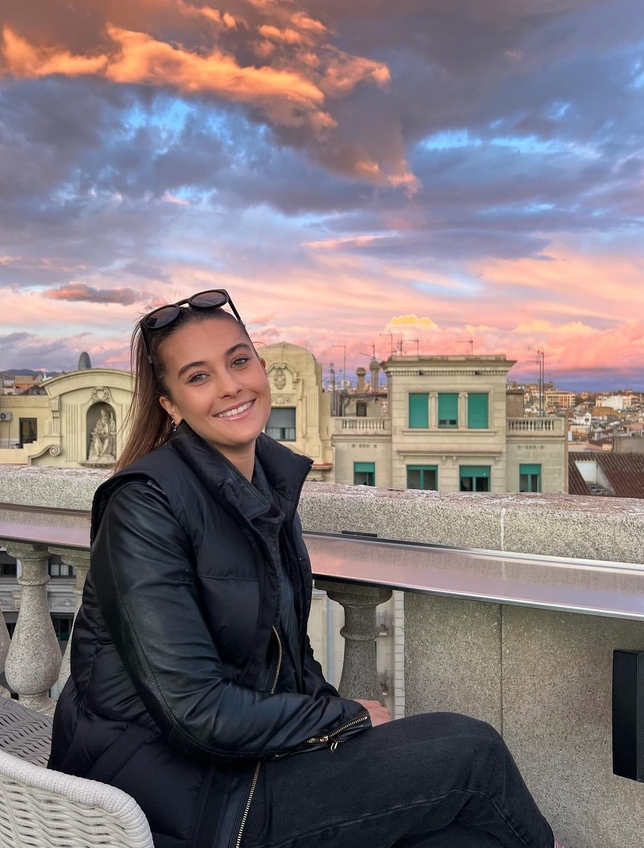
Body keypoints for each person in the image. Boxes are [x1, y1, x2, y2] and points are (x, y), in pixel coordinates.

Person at [48, 289, 564, 848]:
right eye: (198, 377)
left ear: (260, 366)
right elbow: (195, 711)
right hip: (169, 790)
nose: (230, 386)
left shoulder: (264, 487)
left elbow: (285, 657)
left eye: (239, 361)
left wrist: (333, 716)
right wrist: (342, 718)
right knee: (474, 755)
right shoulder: (144, 505)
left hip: (237, 764)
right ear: (171, 405)